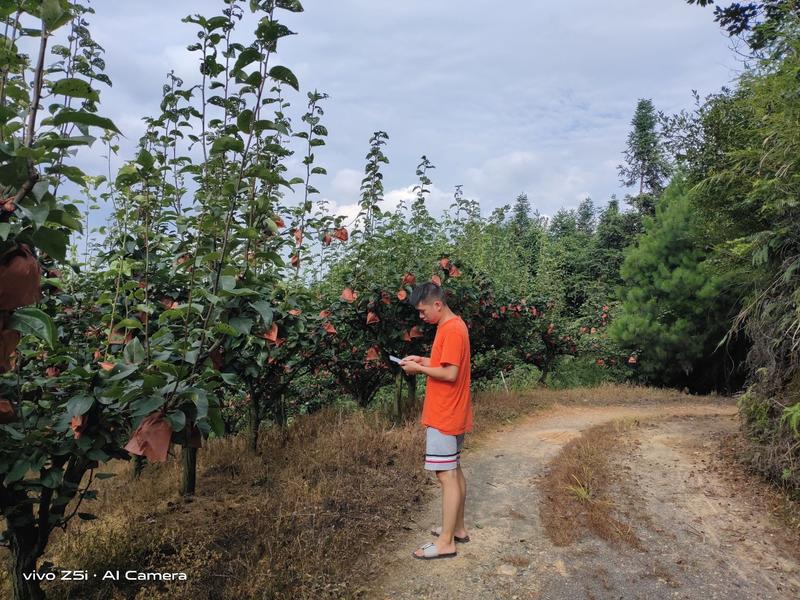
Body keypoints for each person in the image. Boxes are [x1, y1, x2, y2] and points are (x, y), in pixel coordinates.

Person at [400, 281, 472, 560]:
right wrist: (424, 359)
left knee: (446, 475)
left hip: (445, 412)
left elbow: (451, 374)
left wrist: (418, 369)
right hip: (453, 410)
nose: (421, 317)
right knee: (454, 469)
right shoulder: (452, 326)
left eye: (422, 311)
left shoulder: (452, 329)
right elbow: (444, 363)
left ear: (437, 305)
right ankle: (458, 530)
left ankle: (445, 543)